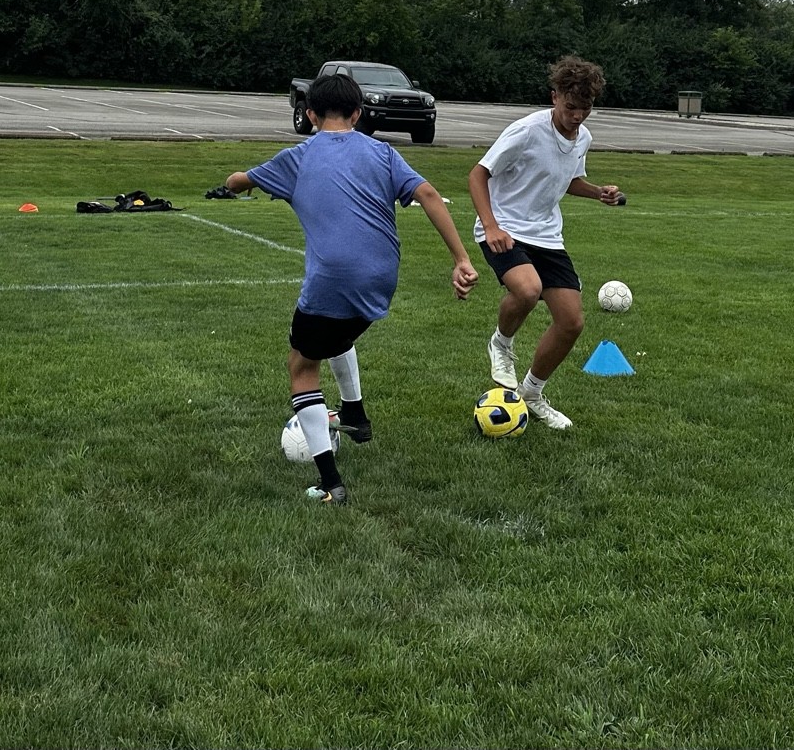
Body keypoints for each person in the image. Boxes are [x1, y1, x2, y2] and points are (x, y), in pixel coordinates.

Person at [226, 73, 478, 505]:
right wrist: (461, 259)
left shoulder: (298, 157)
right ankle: (356, 415)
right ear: (359, 114)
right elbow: (431, 194)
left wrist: (235, 182)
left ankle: (330, 484)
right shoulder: (382, 152)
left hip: (333, 278)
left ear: (309, 115)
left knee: (302, 365)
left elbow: (237, 182)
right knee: (337, 332)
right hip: (382, 278)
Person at [467, 56, 621, 430]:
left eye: (585, 109)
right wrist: (490, 227)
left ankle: (532, 393)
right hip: (504, 229)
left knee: (571, 322)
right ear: (555, 97)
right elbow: (478, 174)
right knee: (528, 290)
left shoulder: (582, 137)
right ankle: (501, 344)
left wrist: (598, 192)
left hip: (547, 235)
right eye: (570, 107)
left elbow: (568, 180)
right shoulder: (526, 131)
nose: (577, 116)